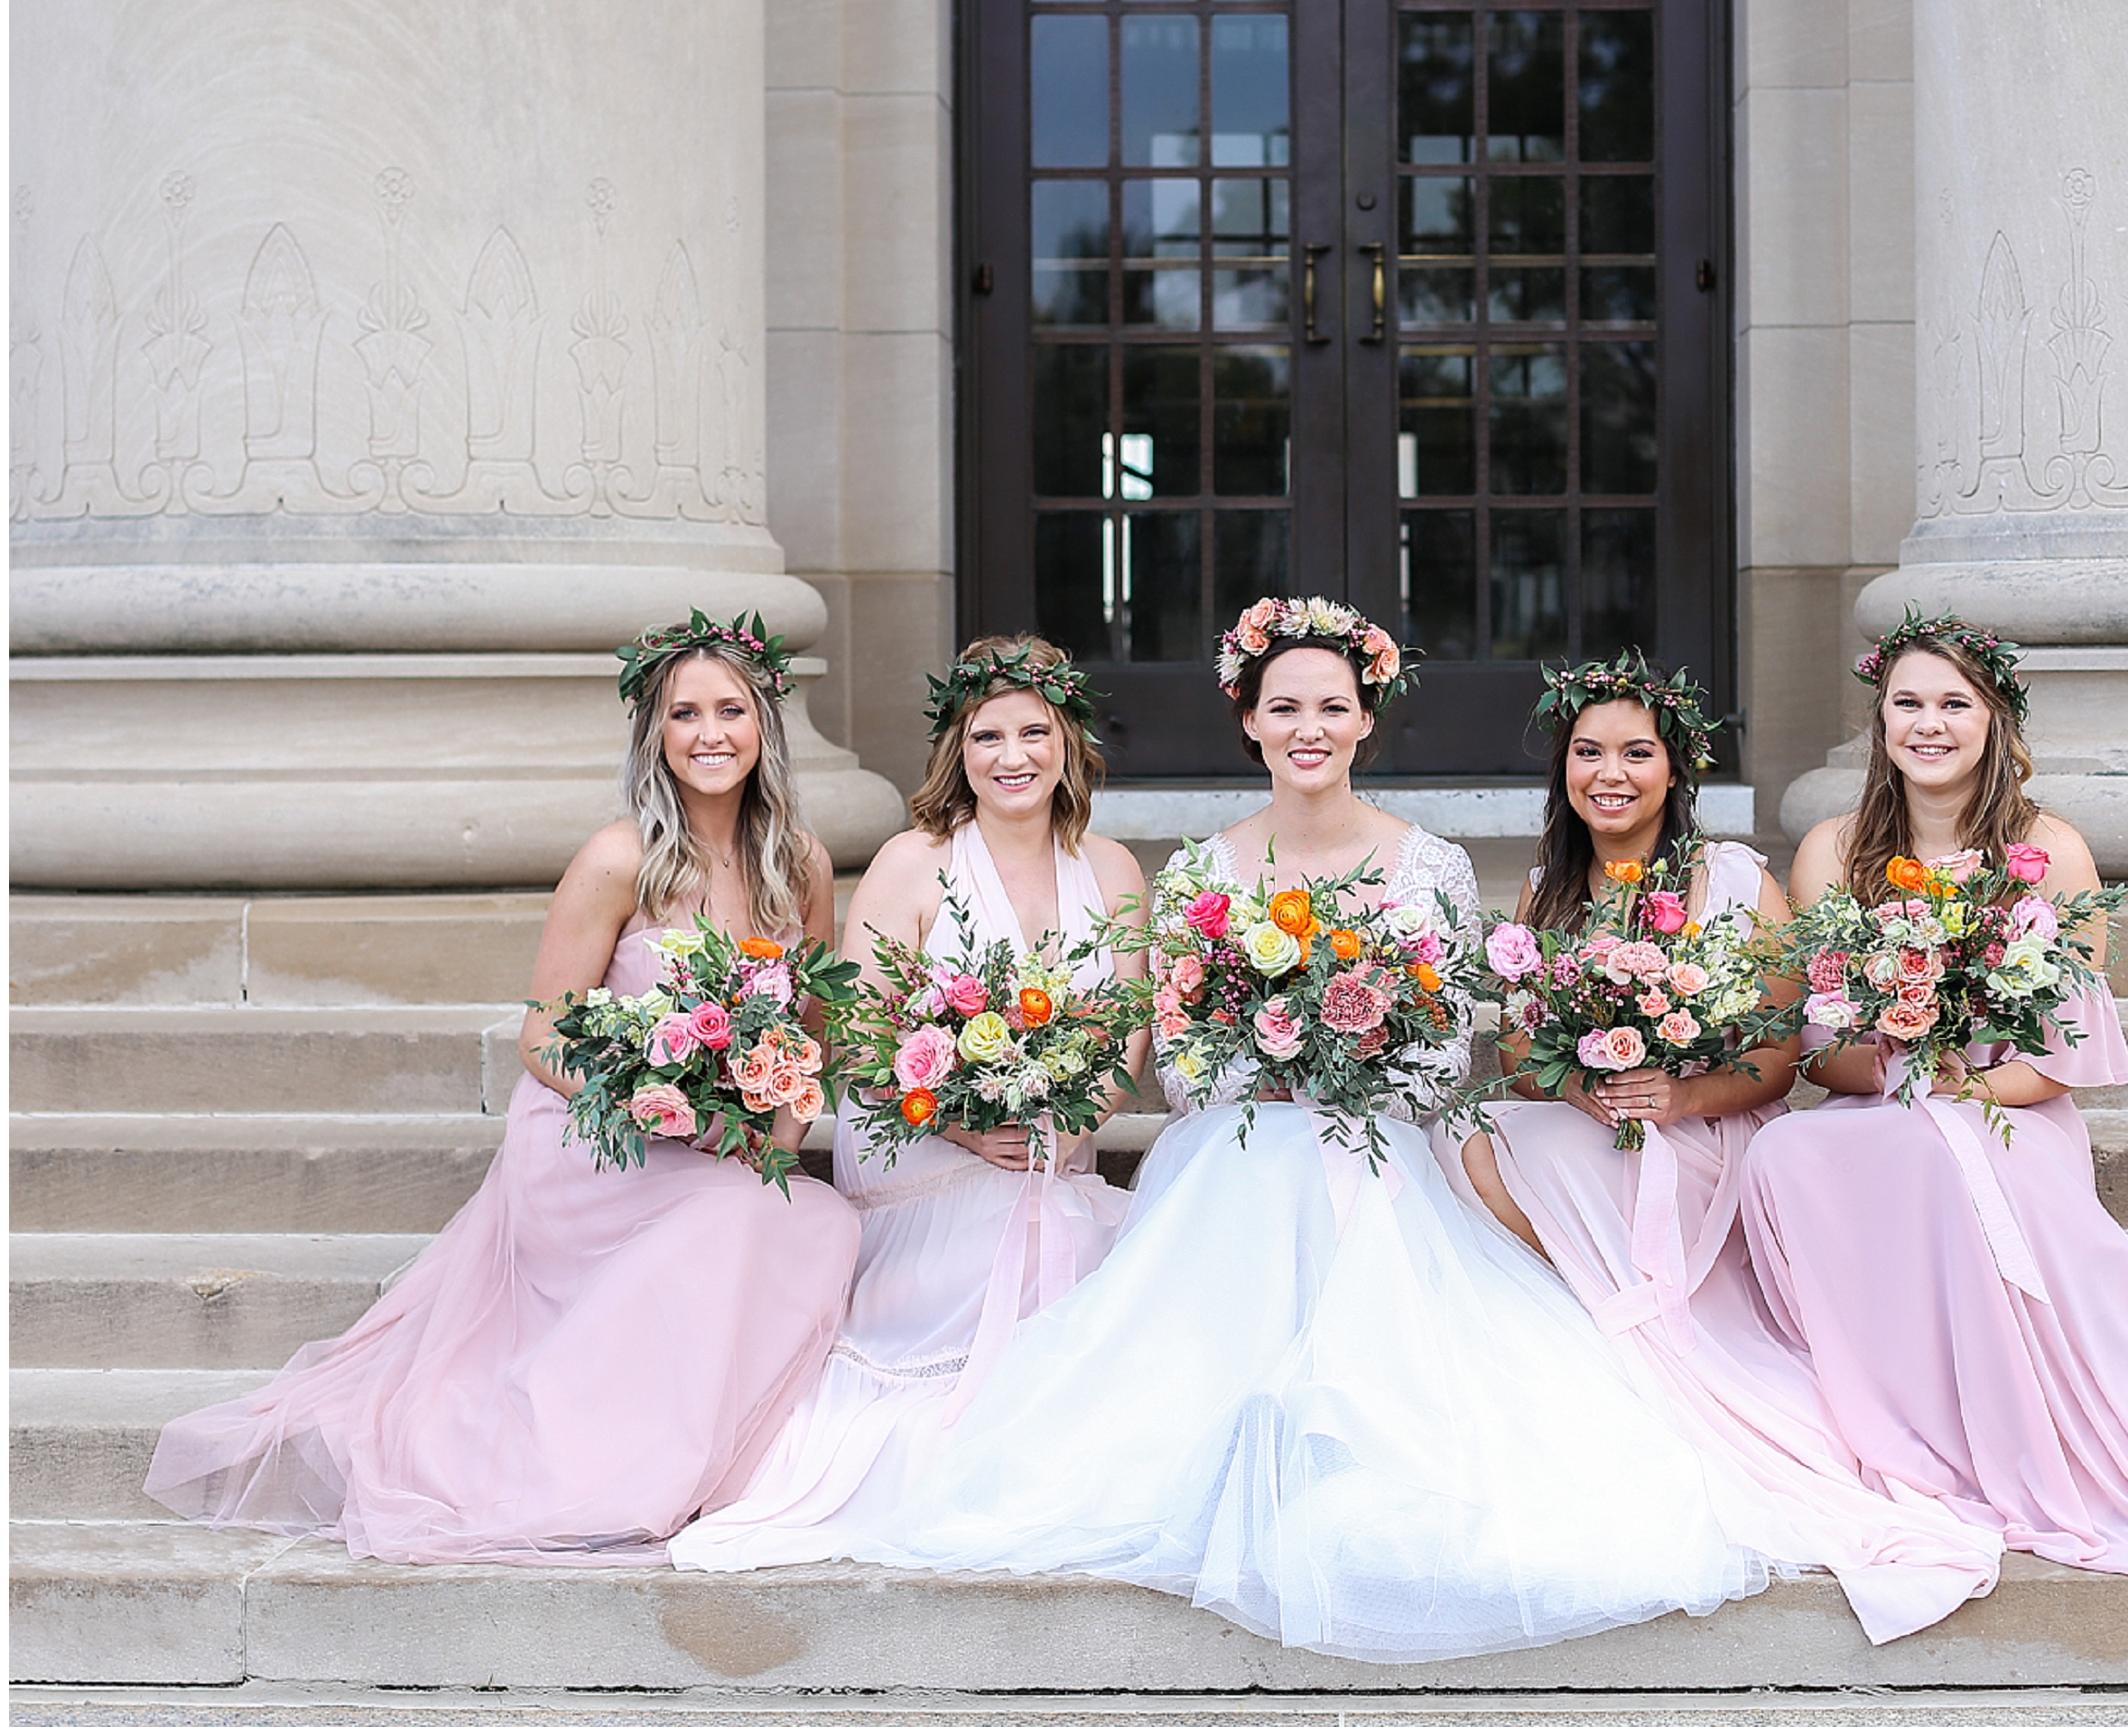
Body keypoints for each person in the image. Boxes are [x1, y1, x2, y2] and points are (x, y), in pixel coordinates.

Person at [862, 598, 1769, 1664]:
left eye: (1332, 706)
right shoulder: (1202, 872)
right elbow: (1187, 1060)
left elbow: (1440, 1059)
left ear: (1365, 721)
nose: (1309, 728)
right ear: (1247, 719)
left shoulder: (1427, 866)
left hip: (1379, 1142)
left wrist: (1352, 1065)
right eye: (1283, 705)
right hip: (1243, 1153)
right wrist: (1280, 1067)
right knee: (1265, 1166)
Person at [145, 613, 860, 1564]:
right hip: (596, 1139)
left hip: (717, 1149)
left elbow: (808, 1037)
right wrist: (655, 1095)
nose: (709, 733)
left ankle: (675, 1455)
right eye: (683, 713)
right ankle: (604, 1470)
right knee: (728, 1223)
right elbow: (542, 1038)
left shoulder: (799, 863)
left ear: (765, 722)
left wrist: (771, 1146)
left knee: (811, 1219)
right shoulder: (619, 860)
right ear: (655, 734)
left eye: (730, 709)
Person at [1741, 609, 2128, 1576]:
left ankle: (2002, 1413)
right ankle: (1890, 1406)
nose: (1929, 724)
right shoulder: (1831, 854)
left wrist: (1969, 1084)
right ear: (1880, 721)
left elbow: (2062, 1052)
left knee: (1943, 1150)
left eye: (1954, 703)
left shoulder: (2049, 851)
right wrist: (1899, 1051)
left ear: (1996, 720)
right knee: (1783, 1151)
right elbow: (1822, 1054)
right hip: (1884, 1099)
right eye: (1907, 703)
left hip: (2009, 1110)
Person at [1436, 652, 2003, 1644]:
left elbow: (1785, 1060)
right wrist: (1589, 1083)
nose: (1609, 774)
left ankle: (1644, 1350)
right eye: (1588, 752)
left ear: (1675, 768)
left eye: (1636, 753)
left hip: (1710, 1133)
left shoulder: (1734, 879)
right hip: (1603, 1120)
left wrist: (1680, 1092)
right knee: (1463, 1134)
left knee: (1554, 1158)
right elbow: (1522, 1054)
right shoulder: (1546, 894)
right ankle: (1591, 1348)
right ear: (1562, 768)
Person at [672, 636, 1148, 1571]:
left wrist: (1074, 1119)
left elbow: (1127, 1028)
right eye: (987, 736)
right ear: (957, 750)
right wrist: (970, 1121)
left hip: (1055, 1149)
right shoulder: (912, 861)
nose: (1011, 757)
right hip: (926, 1145)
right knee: (1021, 1222)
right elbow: (856, 1041)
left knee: (1093, 1235)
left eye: (1032, 732)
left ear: (1068, 740)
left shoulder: (1116, 867)